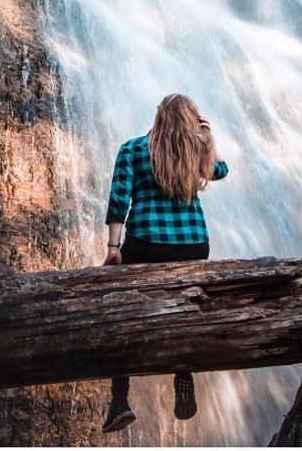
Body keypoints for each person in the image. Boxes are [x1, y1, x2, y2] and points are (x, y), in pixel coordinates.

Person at [100, 93, 228, 433]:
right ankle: (183, 372)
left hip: (146, 244)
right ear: (191, 121)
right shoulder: (196, 151)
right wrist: (206, 139)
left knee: (122, 310)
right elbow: (221, 171)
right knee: (185, 307)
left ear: (158, 119)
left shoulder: (132, 149)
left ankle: (119, 399)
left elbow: (118, 199)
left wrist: (114, 248)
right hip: (194, 245)